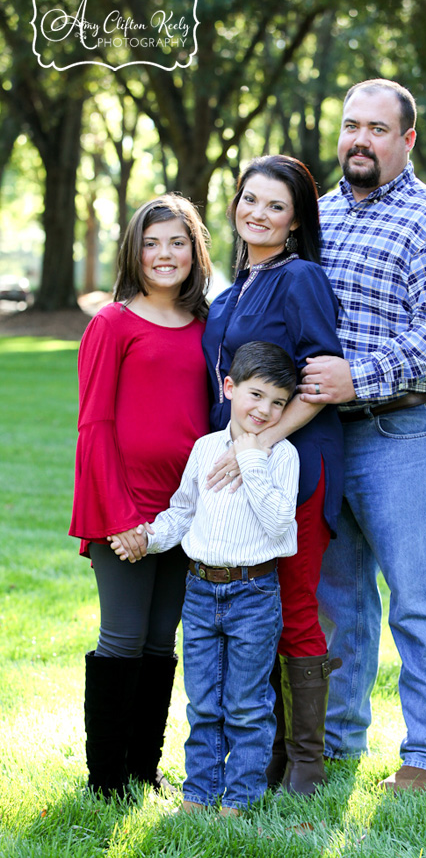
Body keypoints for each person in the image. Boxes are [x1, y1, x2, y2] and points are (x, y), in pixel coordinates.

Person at [298, 79, 426, 792]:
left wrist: (358, 378)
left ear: (406, 140)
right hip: (326, 439)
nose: (360, 140)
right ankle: (337, 742)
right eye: (351, 126)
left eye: (378, 128)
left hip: (407, 430)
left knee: (420, 595)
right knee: (336, 599)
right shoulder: (316, 216)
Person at [201, 155, 344, 796]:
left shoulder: (301, 278)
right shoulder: (230, 291)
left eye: (275, 206)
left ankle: (306, 765)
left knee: (294, 604)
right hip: (232, 471)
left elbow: (318, 380)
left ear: (294, 221)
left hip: (294, 464)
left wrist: (256, 444)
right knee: (254, 610)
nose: (258, 213)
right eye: (249, 200)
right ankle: (265, 754)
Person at [111, 341, 300, 816]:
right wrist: (148, 537)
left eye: (278, 402)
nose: (265, 410)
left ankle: (240, 798)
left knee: (246, 704)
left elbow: (280, 525)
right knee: (204, 703)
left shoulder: (282, 457)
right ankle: (199, 793)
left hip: (253, 593)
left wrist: (253, 456)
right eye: (256, 395)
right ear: (230, 387)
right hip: (199, 593)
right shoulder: (204, 448)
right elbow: (182, 513)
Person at [69, 193, 212, 798]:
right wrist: (122, 517)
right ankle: (105, 781)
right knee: (123, 638)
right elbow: (95, 425)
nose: (164, 254)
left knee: (161, 641)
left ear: (195, 250)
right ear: (134, 249)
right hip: (123, 508)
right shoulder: (112, 323)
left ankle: (141, 769)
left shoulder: (207, 325)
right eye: (152, 242)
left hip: (185, 511)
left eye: (177, 242)